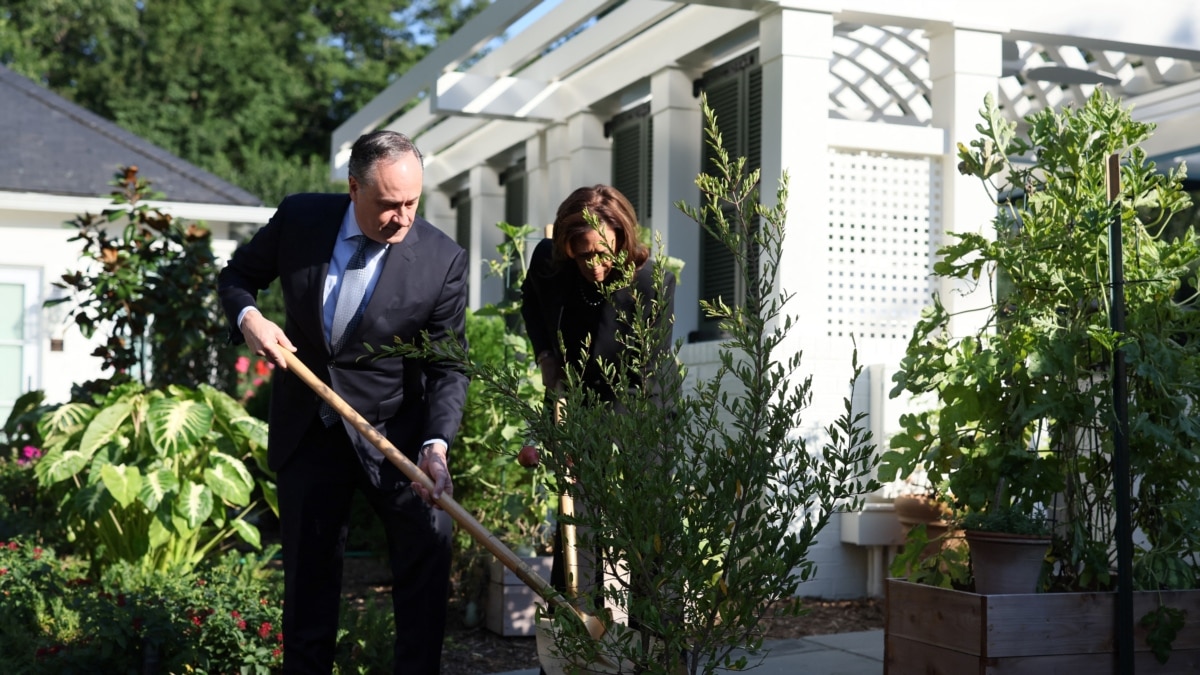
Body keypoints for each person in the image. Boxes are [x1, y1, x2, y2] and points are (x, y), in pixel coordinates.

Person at [217, 130, 468, 674]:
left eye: (412, 202)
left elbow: (448, 367)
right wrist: (250, 318)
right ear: (354, 188)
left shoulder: (442, 261)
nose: (402, 217)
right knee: (309, 590)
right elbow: (237, 277)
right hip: (309, 431)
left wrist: (436, 446)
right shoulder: (302, 219)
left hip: (395, 436)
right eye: (388, 204)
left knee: (427, 561)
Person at [519, 184, 676, 636]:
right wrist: (546, 358)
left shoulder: (651, 283)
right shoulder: (549, 267)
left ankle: (656, 654)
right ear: (566, 246)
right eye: (584, 255)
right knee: (575, 531)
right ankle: (575, 646)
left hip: (639, 407)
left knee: (648, 535)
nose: (597, 266)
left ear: (624, 240)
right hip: (573, 401)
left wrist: (604, 448)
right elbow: (533, 306)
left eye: (606, 254)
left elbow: (643, 378)